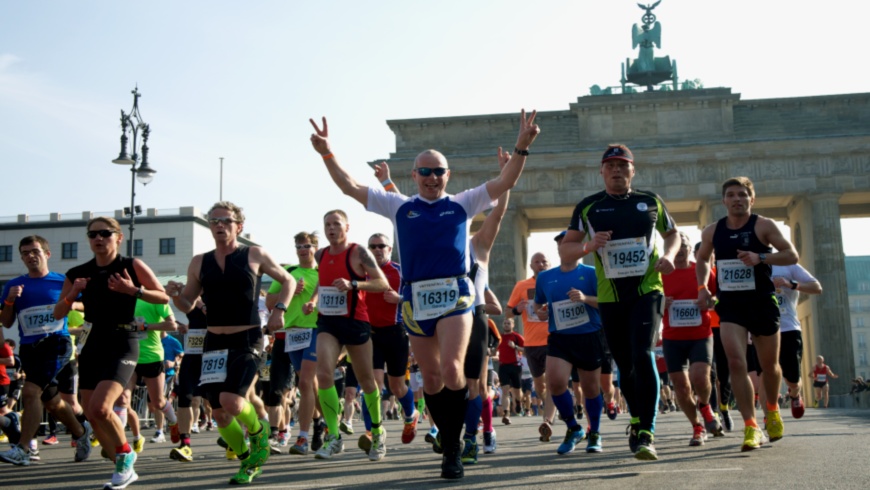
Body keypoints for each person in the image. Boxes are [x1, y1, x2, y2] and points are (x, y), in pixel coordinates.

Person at [309, 109, 539, 479]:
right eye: (425, 171)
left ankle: (454, 446)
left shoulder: (463, 202)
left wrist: (522, 147)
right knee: (430, 379)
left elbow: (504, 181)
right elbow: (349, 186)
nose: (432, 177)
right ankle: (449, 442)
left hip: (456, 297)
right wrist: (326, 153)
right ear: (413, 175)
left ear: (448, 176)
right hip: (416, 300)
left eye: (438, 171)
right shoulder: (399, 206)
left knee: (452, 371)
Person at [559, 144, 679, 461]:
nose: (617, 170)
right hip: (610, 296)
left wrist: (668, 255)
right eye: (610, 165)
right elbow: (566, 251)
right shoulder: (588, 207)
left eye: (623, 165)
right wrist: (588, 245)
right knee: (625, 364)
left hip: (647, 289)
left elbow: (672, 234)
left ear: (632, 170)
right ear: (602, 171)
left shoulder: (649, 200)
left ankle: (648, 431)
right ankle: (636, 419)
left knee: (642, 354)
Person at [165, 202, 295, 484]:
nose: (219, 225)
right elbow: (188, 302)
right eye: (214, 221)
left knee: (232, 401)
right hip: (213, 341)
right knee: (221, 415)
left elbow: (288, 281)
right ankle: (247, 461)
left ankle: (260, 435)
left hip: (247, 337)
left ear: (239, 226)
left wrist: (279, 310)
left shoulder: (254, 254)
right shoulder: (200, 261)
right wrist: (175, 295)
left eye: (225, 221)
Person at [52, 217, 169, 489]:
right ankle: (121, 460)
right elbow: (58, 313)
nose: (98, 238)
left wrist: (133, 290)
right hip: (93, 342)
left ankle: (126, 455)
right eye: (93, 234)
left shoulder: (131, 265)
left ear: (118, 237)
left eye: (105, 233)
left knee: (102, 408)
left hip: (123, 340)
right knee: (93, 414)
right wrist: (73, 295)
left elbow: (163, 297)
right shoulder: (77, 273)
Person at [696, 177, 799, 452]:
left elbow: (792, 255)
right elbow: (704, 258)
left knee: (769, 366)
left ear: (751, 200)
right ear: (724, 201)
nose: (737, 199)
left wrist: (761, 257)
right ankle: (751, 426)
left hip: (762, 302)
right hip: (731, 305)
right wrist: (703, 286)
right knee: (736, 363)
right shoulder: (713, 230)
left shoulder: (763, 225)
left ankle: (773, 409)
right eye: (731, 195)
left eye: (742, 194)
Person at [302, 210, 389, 462]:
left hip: (355, 321)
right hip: (328, 322)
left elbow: (382, 283)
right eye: (327, 224)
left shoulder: (358, 252)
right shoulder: (321, 254)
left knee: (367, 380)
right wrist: (313, 299)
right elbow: (322, 281)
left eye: (336, 224)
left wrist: (354, 285)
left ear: (347, 227)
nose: (331, 229)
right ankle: (333, 436)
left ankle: (377, 431)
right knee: (323, 374)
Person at [0, 236, 92, 467]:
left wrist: (70, 301)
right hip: (30, 348)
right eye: (25, 252)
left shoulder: (63, 281)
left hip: (57, 343)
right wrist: (10, 302)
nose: (30, 256)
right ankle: (81, 432)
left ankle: (23, 449)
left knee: (31, 392)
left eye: (35, 251)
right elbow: (6, 322)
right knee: (51, 402)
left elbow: (88, 306)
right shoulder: (13, 286)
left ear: (47, 254)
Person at [532, 233, 606, 455]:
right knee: (554, 383)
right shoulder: (545, 277)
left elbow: (607, 302)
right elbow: (538, 304)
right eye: (561, 245)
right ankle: (574, 428)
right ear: (558, 249)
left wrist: (585, 299)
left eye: (569, 244)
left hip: (589, 335)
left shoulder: (592, 273)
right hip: (560, 337)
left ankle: (595, 433)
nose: (565, 248)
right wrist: (541, 312)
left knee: (591, 388)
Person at [662, 232, 724, 447]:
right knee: (680, 386)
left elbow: (718, 295)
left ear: (690, 250)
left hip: (700, 334)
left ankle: (706, 406)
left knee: (700, 376)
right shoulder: (660, 273)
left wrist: (709, 301)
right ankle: (697, 426)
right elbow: (649, 302)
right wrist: (662, 303)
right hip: (672, 337)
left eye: (684, 248)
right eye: (676, 249)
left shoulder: (701, 270)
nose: (680, 253)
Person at [265, 231, 321, 456]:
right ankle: (320, 423)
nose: (302, 250)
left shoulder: (322, 272)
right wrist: (288, 294)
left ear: (315, 248)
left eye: (307, 246)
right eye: (299, 246)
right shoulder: (287, 273)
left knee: (306, 382)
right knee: (309, 384)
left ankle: (303, 437)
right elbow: (269, 302)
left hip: (316, 330)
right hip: (292, 333)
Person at [361, 232, 418, 449]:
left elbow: (418, 295)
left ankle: (411, 415)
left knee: (396, 386)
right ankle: (372, 431)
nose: (376, 250)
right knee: (371, 384)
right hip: (370, 334)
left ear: (389, 249)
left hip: (396, 332)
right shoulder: (361, 271)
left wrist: (400, 298)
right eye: (372, 246)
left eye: (381, 246)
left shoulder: (400, 271)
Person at [506, 253, 553, 438]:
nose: (541, 264)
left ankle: (547, 420)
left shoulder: (555, 281)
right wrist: (517, 309)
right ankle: (547, 410)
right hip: (532, 343)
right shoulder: (522, 285)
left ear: (549, 264)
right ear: (531, 265)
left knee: (552, 382)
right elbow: (508, 312)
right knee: (540, 386)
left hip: (553, 339)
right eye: (537, 262)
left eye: (544, 261)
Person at [772, 263, 822, 418]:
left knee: (792, 379)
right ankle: (771, 413)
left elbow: (816, 287)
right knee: (766, 374)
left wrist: (790, 284)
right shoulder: (752, 264)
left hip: (789, 329)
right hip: (765, 328)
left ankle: (795, 394)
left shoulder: (789, 265)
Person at [169, 298, 207, 463]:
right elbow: (184, 306)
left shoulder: (221, 290)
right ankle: (185, 444)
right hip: (192, 353)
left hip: (215, 351)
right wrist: (176, 296)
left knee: (221, 400)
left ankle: (233, 442)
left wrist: (201, 304)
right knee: (185, 397)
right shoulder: (195, 292)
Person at [497, 318, 524, 425]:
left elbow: (526, 350)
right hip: (503, 367)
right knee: (505, 391)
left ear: (513, 325)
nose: (506, 325)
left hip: (515, 366)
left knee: (517, 392)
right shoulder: (499, 337)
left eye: (509, 323)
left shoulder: (517, 337)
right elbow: (495, 348)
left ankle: (518, 402)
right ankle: (506, 414)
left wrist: (515, 346)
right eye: (505, 323)